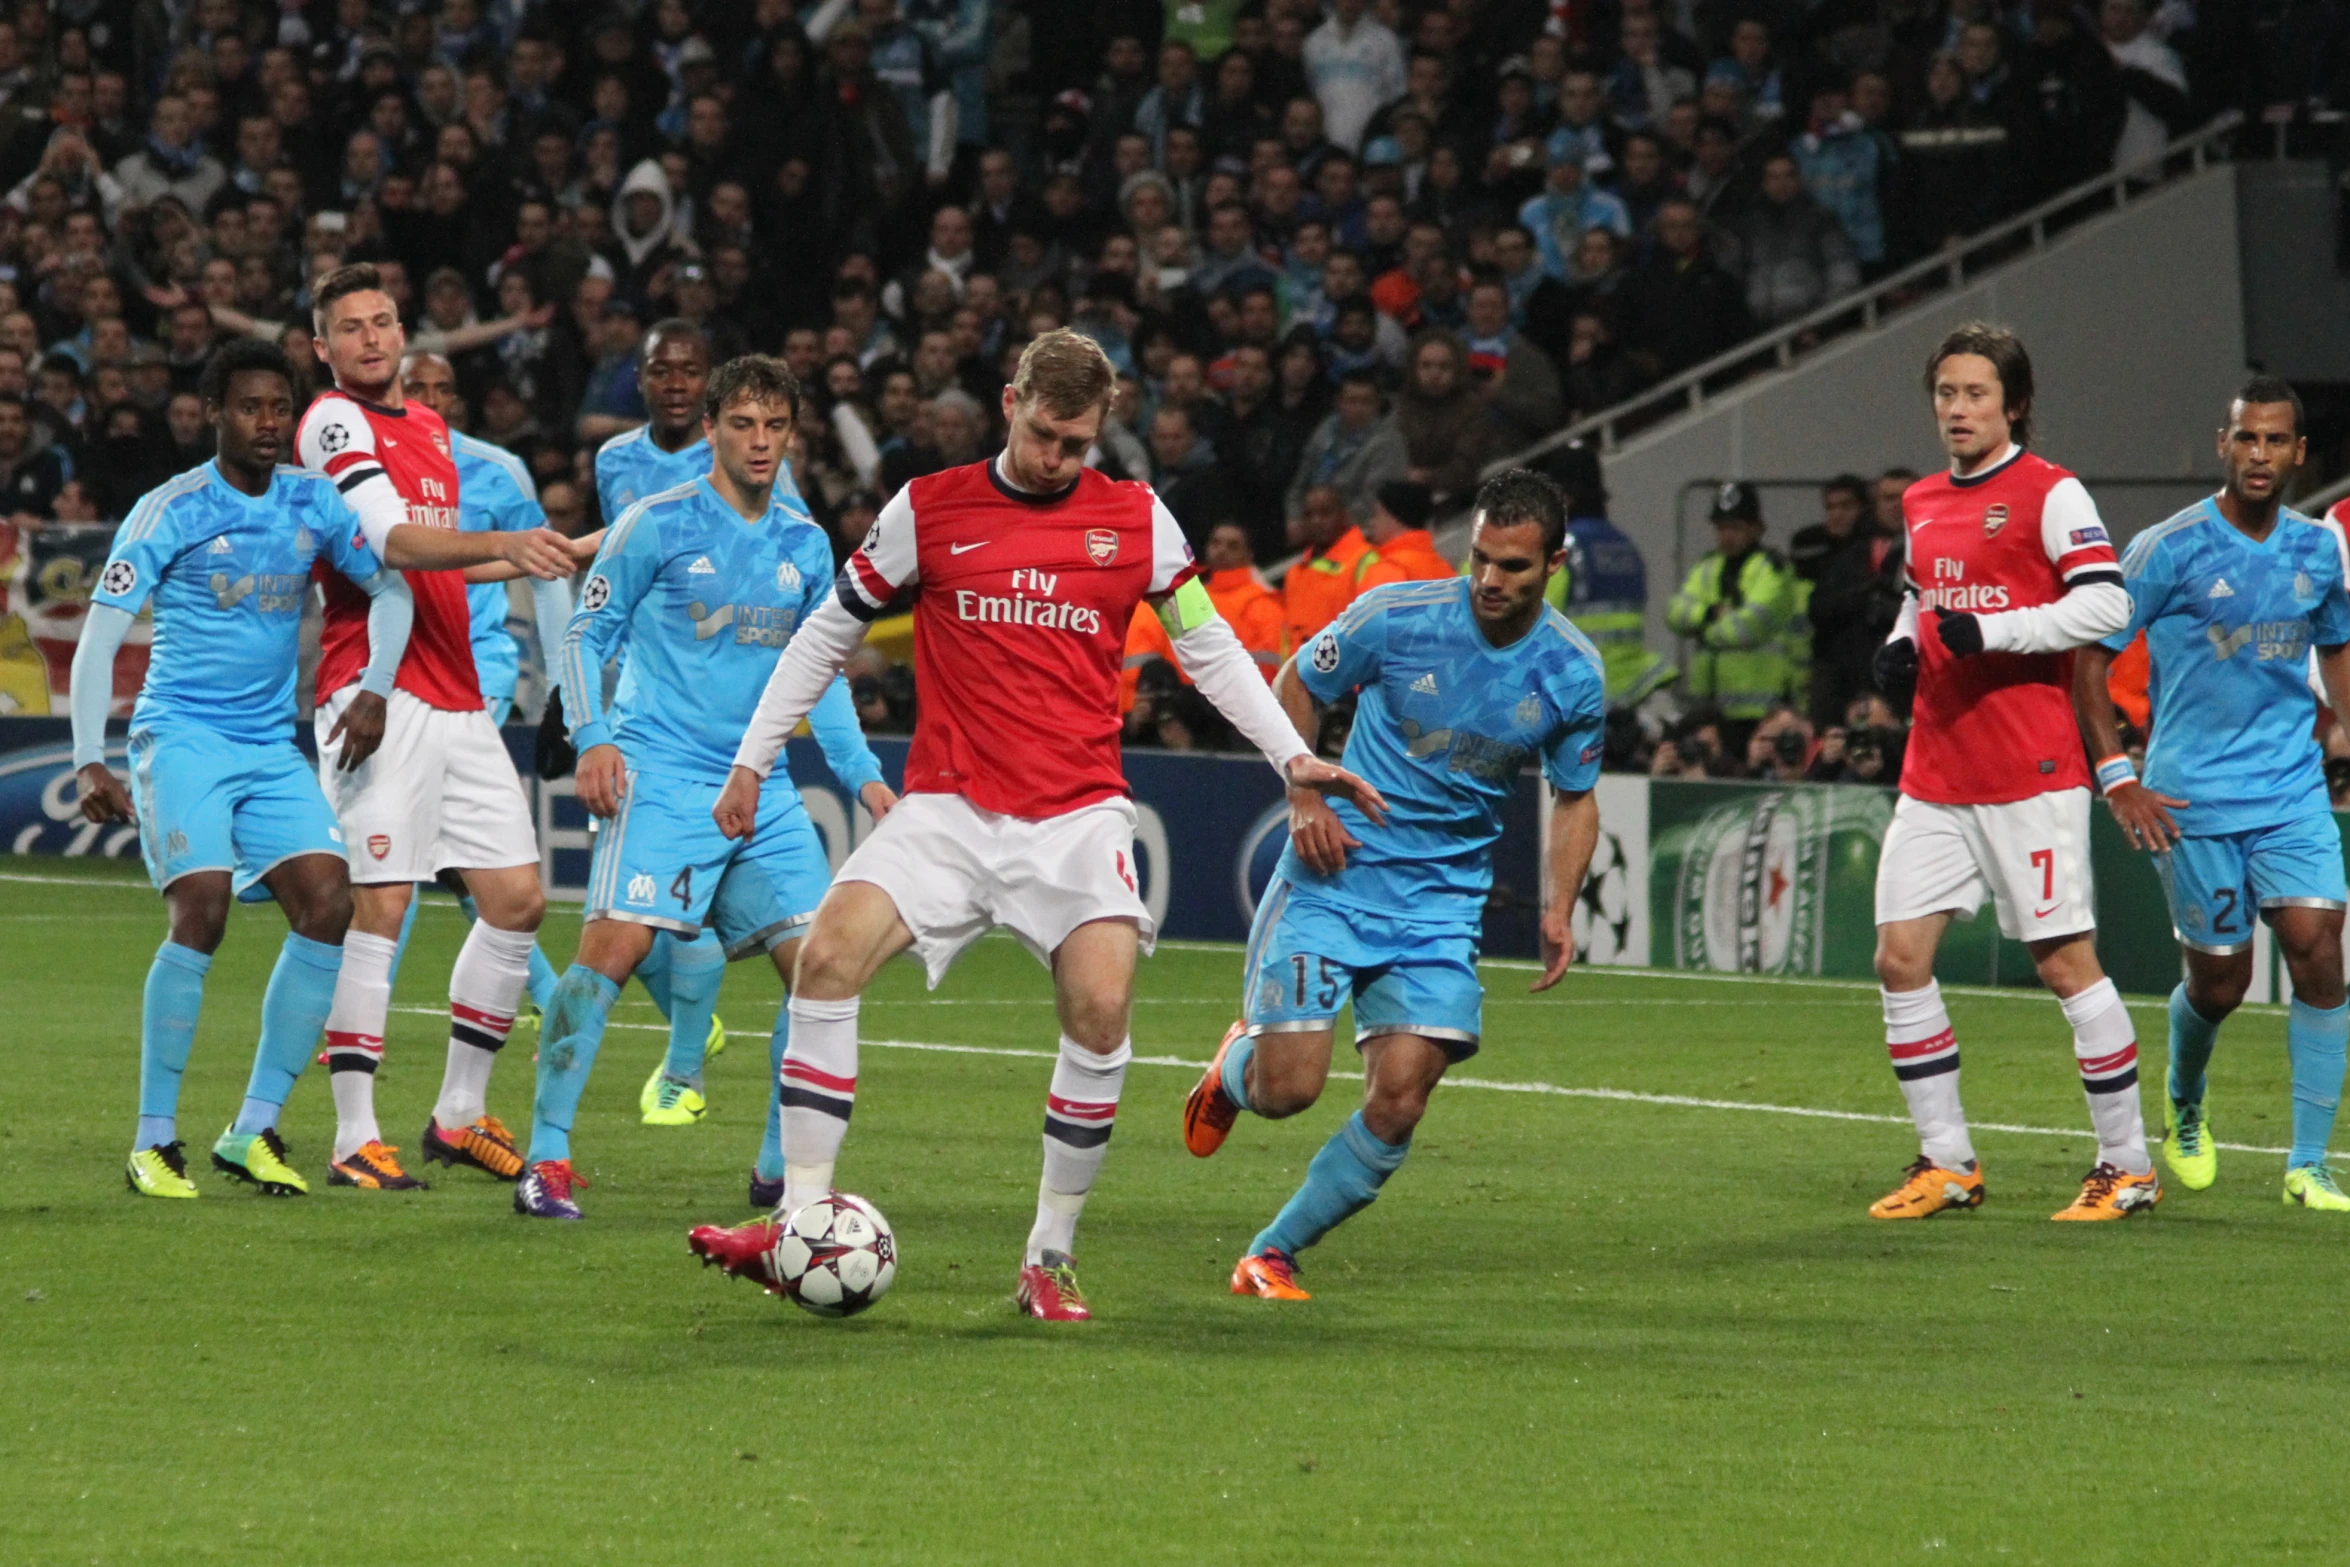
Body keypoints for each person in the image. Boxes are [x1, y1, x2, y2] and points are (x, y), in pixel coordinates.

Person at [681, 330, 1382, 1320]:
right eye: (1046, 434)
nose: (1058, 458)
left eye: (1079, 443)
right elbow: (824, 637)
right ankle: (798, 1222)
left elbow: (1210, 649)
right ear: (1010, 402)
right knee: (824, 960)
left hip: (1075, 813)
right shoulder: (926, 509)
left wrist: (1289, 756)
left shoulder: (1136, 520)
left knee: (1100, 1012)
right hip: (948, 807)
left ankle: (1046, 1257)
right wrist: (752, 760)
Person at [1179, 469, 1604, 1299]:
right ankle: (1237, 1070)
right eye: (1480, 557)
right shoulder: (1395, 615)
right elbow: (1296, 682)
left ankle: (1270, 1252)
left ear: (1554, 561)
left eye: (1514, 566)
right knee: (1289, 1090)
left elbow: (1577, 793)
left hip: (1440, 907)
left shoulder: (1572, 672)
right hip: (1337, 875)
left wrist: (1559, 906)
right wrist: (1303, 789)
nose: (1490, 579)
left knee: (1402, 1097)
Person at [520, 356, 893, 1220]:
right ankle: (546, 1159)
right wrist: (596, 736)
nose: (759, 443)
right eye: (742, 425)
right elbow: (584, 633)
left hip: (759, 789)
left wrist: (866, 779)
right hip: (660, 774)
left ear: (791, 436)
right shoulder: (655, 524)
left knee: (824, 976)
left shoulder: (805, 542)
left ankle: (776, 1170)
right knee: (609, 955)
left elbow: (820, 676)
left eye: (775, 427)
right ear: (715, 430)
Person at [70, 340, 413, 1199]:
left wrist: (375, 689)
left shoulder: (313, 499)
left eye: (281, 408)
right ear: (215, 413)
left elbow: (395, 589)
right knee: (205, 908)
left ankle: (252, 1129)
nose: (270, 423)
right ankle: (154, 1140)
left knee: (332, 901)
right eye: (252, 407)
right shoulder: (171, 508)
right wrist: (87, 759)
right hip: (181, 737)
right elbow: (101, 635)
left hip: (267, 744)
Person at [294, 262, 579, 1192]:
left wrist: (543, 553)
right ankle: (351, 1135)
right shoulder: (332, 421)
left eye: (384, 320)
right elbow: (390, 542)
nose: (372, 338)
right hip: (376, 690)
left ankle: (458, 1113)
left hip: (457, 693)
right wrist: (504, 540)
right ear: (323, 346)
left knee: (517, 899)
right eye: (352, 326)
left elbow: (442, 569)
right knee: (383, 902)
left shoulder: (428, 428)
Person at [1867, 322, 2150, 1221]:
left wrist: (1995, 631)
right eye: (1946, 393)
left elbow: (2106, 598)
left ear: (2014, 403)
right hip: (1935, 767)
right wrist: (1900, 645)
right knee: (1898, 957)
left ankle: (2129, 1165)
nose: (1957, 409)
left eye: (1975, 393)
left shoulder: (2051, 492)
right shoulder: (1919, 500)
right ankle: (1947, 1160)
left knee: (2066, 966)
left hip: (2029, 769)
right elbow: (1923, 597)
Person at [2073, 378, 2350, 1211]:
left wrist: (2343, 728)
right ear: (2223, 444)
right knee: (2222, 983)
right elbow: (2091, 655)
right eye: (2244, 439)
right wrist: (2119, 775)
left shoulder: (2317, 550)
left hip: (2290, 790)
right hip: (2191, 799)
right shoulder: (2170, 547)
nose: (2258, 454)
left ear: (2300, 454)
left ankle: (2310, 1162)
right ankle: (2185, 1102)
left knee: (2318, 950)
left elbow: (2335, 642)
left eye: (2275, 441)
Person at [582, 320, 769, 1125]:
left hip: (716, 721)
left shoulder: (741, 452)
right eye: (662, 370)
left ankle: (685, 1063)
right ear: (644, 377)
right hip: (634, 708)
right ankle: (694, 1036)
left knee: (659, 908)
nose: (676, 382)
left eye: (691, 370)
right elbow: (615, 575)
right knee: (631, 912)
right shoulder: (614, 460)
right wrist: (585, 709)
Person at [380, 350, 571, 1027]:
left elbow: (547, 568)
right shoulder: (374, 461)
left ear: (456, 400)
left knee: (405, 837)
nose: (431, 396)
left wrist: (560, 682)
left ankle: (360, 1010)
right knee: (452, 857)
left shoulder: (496, 469)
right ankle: (554, 1000)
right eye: (418, 385)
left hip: (475, 669)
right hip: (399, 669)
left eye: (443, 387)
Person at [1664, 481, 1795, 747]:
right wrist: (1711, 613)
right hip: (1708, 702)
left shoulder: (1772, 569)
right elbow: (1675, 613)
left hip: (1759, 708)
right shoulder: (1708, 565)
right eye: (1721, 527)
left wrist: (1703, 627)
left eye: (1735, 527)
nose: (1726, 535)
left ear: (1756, 528)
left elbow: (1751, 624)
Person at [1120, 518, 1287, 708]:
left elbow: (1269, 669)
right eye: (1216, 543)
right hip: (1179, 705)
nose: (1222, 550)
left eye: (1232, 546)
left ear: (1249, 555)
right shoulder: (1184, 594)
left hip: (1231, 713)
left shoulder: (1261, 603)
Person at [1283, 480, 1385, 650]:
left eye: (1326, 512)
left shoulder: (1366, 560)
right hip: (1305, 671)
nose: (1317, 521)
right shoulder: (1294, 574)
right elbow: (1287, 639)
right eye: (1309, 515)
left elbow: (1375, 630)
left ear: (1344, 515)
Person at [1356, 479, 1450, 585]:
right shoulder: (1442, 565)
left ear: (1394, 518)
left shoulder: (1388, 570)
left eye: (1376, 515)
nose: (1371, 522)